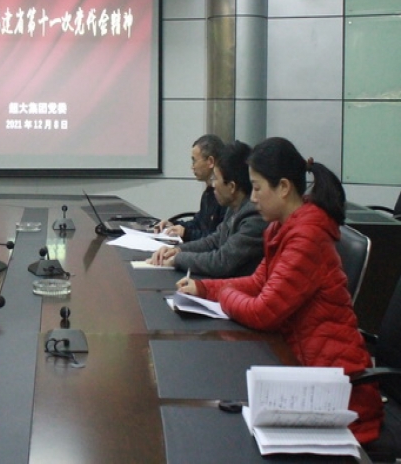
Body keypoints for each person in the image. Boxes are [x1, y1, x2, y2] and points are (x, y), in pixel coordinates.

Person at [176, 137, 383, 444]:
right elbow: (258, 283)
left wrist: (224, 296)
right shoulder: (281, 228)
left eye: (258, 188)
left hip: (337, 392)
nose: (253, 198)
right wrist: (205, 287)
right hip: (301, 367)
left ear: (284, 187)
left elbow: (264, 310)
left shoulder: (307, 236)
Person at [148, 141, 267, 278]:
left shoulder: (254, 216)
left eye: (216, 178)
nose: (213, 184)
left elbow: (221, 262)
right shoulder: (235, 207)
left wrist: (178, 259)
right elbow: (214, 240)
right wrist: (177, 250)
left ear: (232, 187)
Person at [156, 134, 226, 240]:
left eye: (194, 161)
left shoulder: (224, 198)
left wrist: (186, 233)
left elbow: (213, 240)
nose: (192, 167)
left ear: (210, 161)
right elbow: (198, 223)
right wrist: (173, 225)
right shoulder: (208, 194)